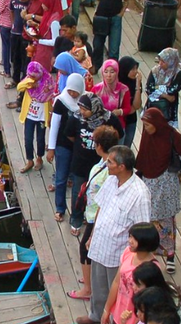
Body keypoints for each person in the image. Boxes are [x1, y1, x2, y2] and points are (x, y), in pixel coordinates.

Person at [77, 145, 151, 324]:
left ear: (121, 166)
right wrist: (92, 235)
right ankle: (96, 316)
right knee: (98, 286)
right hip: (100, 245)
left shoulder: (140, 195)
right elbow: (100, 206)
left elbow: (142, 231)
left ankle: (111, 319)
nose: (106, 164)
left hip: (118, 254)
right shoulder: (111, 180)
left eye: (110, 162)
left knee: (117, 291)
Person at [68, 125, 120, 301]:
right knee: (87, 248)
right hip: (90, 212)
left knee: (85, 248)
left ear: (99, 145)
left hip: (97, 216)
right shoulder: (103, 162)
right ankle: (88, 277)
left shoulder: (110, 169)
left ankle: (88, 289)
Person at [136, 108, 181, 274]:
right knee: (148, 221)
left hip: (166, 186)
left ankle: (170, 256)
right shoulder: (148, 134)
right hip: (148, 184)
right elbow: (143, 155)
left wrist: (179, 175)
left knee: (166, 222)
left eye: (148, 125)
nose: (145, 129)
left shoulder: (174, 136)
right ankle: (149, 254)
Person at [65, 95, 123, 236]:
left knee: (99, 193)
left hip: (102, 165)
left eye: (86, 109)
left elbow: (119, 135)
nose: (82, 111)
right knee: (78, 192)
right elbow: (70, 135)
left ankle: (94, 220)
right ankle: (76, 219)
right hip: (81, 162)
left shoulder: (109, 119)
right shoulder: (76, 118)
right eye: (81, 108)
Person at [103, 223, 162, 324]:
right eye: (130, 236)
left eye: (134, 239)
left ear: (144, 242)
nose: (129, 241)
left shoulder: (152, 268)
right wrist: (106, 309)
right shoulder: (128, 252)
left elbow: (151, 300)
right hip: (119, 312)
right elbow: (117, 282)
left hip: (136, 317)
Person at [47, 73, 85, 222]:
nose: (72, 93)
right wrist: (51, 148)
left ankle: (77, 212)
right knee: (61, 178)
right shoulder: (61, 101)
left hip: (78, 147)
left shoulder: (84, 101)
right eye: (70, 90)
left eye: (75, 91)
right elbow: (55, 126)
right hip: (63, 145)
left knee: (78, 180)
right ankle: (60, 208)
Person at [92, 0, 133, 73]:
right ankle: (96, 66)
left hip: (116, 17)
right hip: (101, 16)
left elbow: (126, 0)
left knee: (114, 48)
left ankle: (111, 71)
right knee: (98, 45)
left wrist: (121, 13)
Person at [17, 61, 56, 173]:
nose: (32, 77)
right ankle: (30, 160)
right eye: (31, 75)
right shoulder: (29, 79)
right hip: (29, 115)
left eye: (34, 76)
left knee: (40, 138)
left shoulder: (48, 80)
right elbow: (19, 87)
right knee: (28, 138)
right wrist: (30, 84)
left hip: (41, 116)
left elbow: (51, 93)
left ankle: (39, 158)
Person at [144, 48, 181, 130]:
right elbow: (148, 88)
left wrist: (156, 88)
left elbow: (171, 91)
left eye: (163, 61)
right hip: (152, 107)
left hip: (168, 111)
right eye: (160, 61)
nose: (160, 64)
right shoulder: (155, 71)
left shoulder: (178, 75)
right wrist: (165, 95)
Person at [92, 59, 132, 134]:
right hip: (100, 127)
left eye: (112, 72)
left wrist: (120, 112)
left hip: (117, 127)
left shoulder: (124, 90)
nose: (109, 75)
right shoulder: (96, 89)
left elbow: (127, 108)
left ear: (117, 72)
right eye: (106, 72)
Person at [30, 0, 64, 72]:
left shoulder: (54, 21)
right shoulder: (49, 14)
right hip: (42, 48)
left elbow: (55, 41)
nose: (42, 5)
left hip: (46, 52)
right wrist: (36, 25)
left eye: (43, 3)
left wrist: (40, 40)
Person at [117, 56, 143, 148]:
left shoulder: (135, 82)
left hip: (131, 119)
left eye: (136, 68)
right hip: (118, 119)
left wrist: (137, 86)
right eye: (132, 69)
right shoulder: (116, 82)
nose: (135, 71)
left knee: (126, 147)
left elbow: (137, 105)